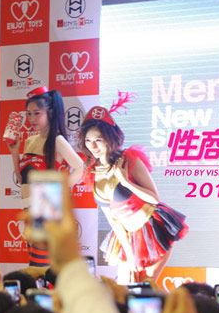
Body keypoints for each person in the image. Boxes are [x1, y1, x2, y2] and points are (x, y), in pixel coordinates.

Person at [80, 101, 188, 282]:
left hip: (152, 230)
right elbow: (113, 220)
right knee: (128, 285)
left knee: (146, 285)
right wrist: (130, 256)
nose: (93, 146)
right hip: (127, 236)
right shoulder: (92, 171)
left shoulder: (128, 160)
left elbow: (154, 199)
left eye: (98, 140)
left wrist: (126, 182)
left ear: (109, 138)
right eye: (88, 141)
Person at [7, 87, 86, 267]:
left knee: (41, 268)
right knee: (39, 268)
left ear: (50, 112)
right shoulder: (30, 140)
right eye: (29, 114)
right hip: (29, 211)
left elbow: (80, 168)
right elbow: (21, 179)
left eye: (37, 113)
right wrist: (14, 152)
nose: (32, 119)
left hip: (46, 212)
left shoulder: (57, 140)